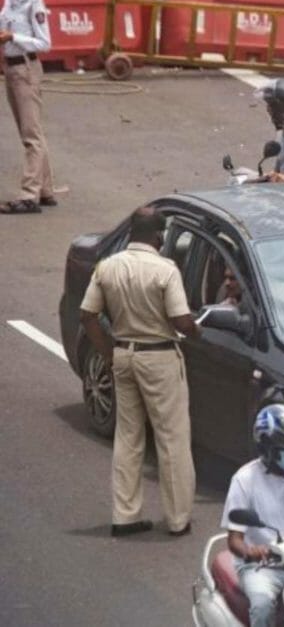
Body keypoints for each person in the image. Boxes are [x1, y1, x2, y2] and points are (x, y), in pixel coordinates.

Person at [79, 207, 200, 537]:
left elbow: (88, 315)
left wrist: (108, 353)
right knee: (171, 438)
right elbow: (180, 320)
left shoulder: (108, 267)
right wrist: (194, 329)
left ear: (133, 232)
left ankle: (125, 515)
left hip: (123, 354)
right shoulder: (165, 270)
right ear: (159, 237)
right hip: (158, 357)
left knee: (128, 437)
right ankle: (177, 518)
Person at [221, 402, 284, 627]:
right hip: (262, 567)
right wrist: (251, 552)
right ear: (268, 450)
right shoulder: (245, 479)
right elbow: (234, 540)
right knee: (262, 605)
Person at [0, 0, 53, 215]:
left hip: (26, 67)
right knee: (30, 131)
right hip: (11, 67)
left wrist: (14, 37)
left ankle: (29, 194)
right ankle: (45, 189)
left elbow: (44, 43)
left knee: (31, 135)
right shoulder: (10, 0)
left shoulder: (34, 3)